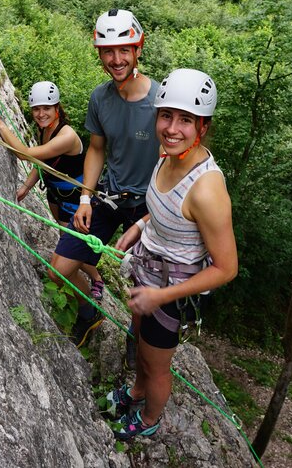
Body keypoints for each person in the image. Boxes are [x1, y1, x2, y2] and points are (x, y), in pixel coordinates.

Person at [105, 68, 238, 441]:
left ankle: (149, 419)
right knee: (139, 341)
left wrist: (160, 297)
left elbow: (227, 268)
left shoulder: (207, 190)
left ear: (203, 128)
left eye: (186, 120)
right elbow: (165, 208)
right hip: (149, 268)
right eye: (167, 116)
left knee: (155, 362)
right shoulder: (167, 156)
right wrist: (139, 226)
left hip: (171, 290)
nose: (173, 128)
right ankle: (135, 393)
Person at [49, 8, 160, 349]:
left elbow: (173, 169)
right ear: (99, 54)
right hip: (110, 197)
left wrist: (146, 221)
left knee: (145, 290)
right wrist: (85, 198)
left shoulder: (161, 102)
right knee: (58, 269)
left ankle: (135, 338)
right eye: (108, 51)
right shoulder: (100, 98)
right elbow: (96, 149)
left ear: (138, 50)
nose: (116, 59)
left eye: (123, 50)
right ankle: (88, 312)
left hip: (150, 207)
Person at [0, 81, 104, 298]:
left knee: (72, 244)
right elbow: (43, 163)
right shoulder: (45, 130)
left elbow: (25, 154)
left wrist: (0, 124)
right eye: (36, 109)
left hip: (76, 198)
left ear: (57, 108)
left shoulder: (66, 136)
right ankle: (81, 274)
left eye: (46, 108)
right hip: (56, 194)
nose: (41, 114)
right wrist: (28, 185)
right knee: (65, 237)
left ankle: (96, 279)